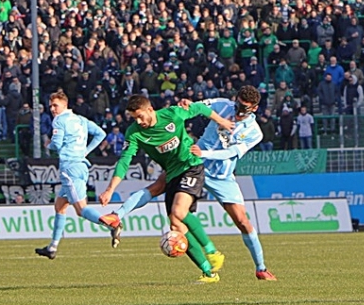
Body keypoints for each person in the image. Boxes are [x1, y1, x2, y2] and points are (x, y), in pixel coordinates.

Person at [99, 87, 277, 281]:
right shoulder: (222, 105)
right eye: (237, 104)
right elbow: (201, 107)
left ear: (254, 108)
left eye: (243, 108)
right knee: (171, 211)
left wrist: (205, 153)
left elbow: (231, 153)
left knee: (242, 220)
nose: (238, 110)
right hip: (190, 161)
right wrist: (187, 104)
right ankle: (208, 271)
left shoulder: (255, 133)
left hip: (220, 175)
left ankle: (261, 267)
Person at [34, 90, 108, 260]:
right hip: (81, 166)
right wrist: (85, 151)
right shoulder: (80, 120)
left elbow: (57, 144)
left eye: (55, 105)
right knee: (60, 206)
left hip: (69, 167)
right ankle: (52, 246)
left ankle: (111, 224)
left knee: (81, 210)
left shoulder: (59, 120)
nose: (52, 109)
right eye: (50, 106)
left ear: (64, 105)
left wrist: (49, 144)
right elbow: (100, 134)